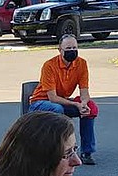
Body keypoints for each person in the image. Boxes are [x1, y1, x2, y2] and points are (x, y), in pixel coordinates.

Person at [28, 35, 99, 164]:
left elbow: (84, 91)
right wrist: (75, 104)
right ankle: (58, 150)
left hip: (63, 100)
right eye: (68, 48)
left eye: (74, 47)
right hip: (41, 102)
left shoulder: (81, 64)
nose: (72, 50)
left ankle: (87, 152)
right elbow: (52, 98)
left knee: (91, 108)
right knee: (57, 109)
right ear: (60, 50)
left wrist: (83, 103)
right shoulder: (49, 65)